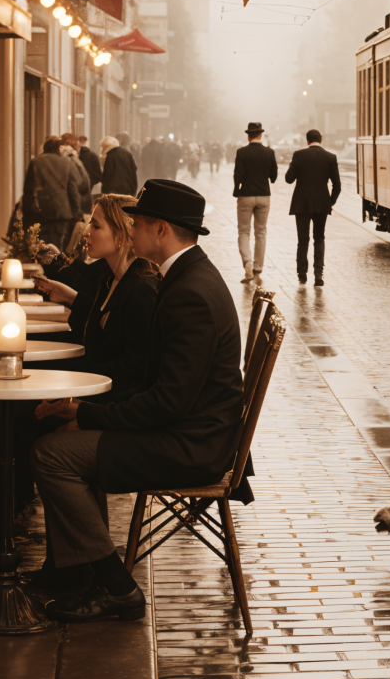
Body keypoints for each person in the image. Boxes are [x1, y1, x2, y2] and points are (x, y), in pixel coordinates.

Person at [28, 180, 244, 621]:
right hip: (187, 431)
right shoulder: (185, 277)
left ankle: (115, 584)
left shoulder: (188, 293)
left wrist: (87, 414)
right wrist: (86, 413)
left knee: (51, 454)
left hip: (191, 445)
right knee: (62, 441)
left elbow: (168, 402)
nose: (133, 228)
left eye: (139, 223)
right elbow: (158, 388)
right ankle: (78, 570)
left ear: (160, 230)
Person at [34, 193, 160, 403]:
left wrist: (73, 376)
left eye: (96, 226)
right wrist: (71, 298)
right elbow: (97, 332)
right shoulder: (111, 279)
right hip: (92, 386)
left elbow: (135, 369)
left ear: (121, 235)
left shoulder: (141, 289)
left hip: (108, 400)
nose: (86, 233)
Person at [285, 128, 341, 287]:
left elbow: (289, 179)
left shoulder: (299, 155)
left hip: (301, 203)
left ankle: (302, 274)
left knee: (303, 239)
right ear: (321, 139)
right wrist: (331, 201)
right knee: (319, 237)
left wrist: (294, 163)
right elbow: (337, 185)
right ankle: (318, 274)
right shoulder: (330, 157)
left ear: (307, 140)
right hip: (321, 203)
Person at [233, 122, 278, 284]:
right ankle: (258, 266)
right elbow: (273, 177)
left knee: (244, 231)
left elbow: (237, 175)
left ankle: (247, 262)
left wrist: (236, 190)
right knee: (261, 232)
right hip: (264, 195)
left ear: (248, 135)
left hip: (246, 195)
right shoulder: (269, 152)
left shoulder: (242, 152)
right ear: (260, 135)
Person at [22, 137, 81, 252]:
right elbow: (73, 190)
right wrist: (76, 213)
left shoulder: (36, 162)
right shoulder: (67, 162)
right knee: (57, 247)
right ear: (59, 149)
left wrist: (27, 216)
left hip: (40, 212)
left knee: (40, 247)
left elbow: (28, 191)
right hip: (61, 212)